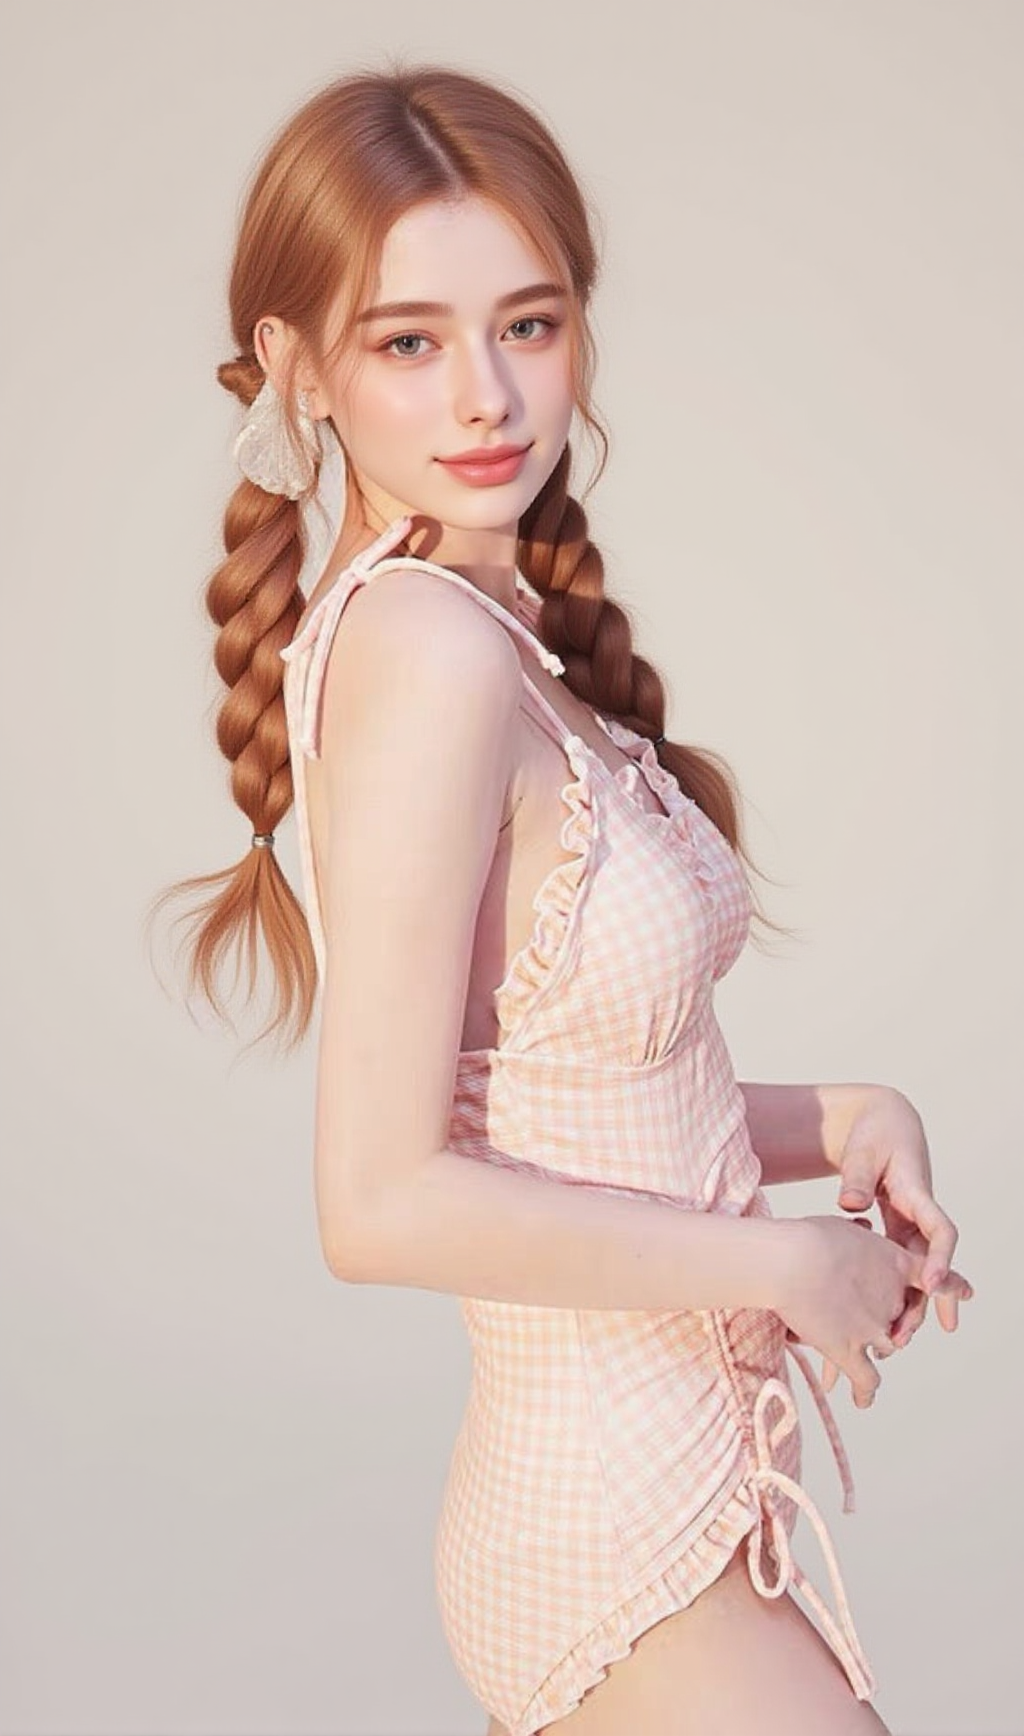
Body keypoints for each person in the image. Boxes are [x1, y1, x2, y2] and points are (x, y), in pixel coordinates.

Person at [155, 65, 973, 1736]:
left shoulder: (482, 638)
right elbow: (377, 1201)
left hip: (666, 1499)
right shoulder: (427, 652)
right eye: (408, 341)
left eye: (526, 323)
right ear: (298, 367)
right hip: (613, 1535)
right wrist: (777, 1268)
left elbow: (560, 1100)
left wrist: (841, 1118)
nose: (486, 395)